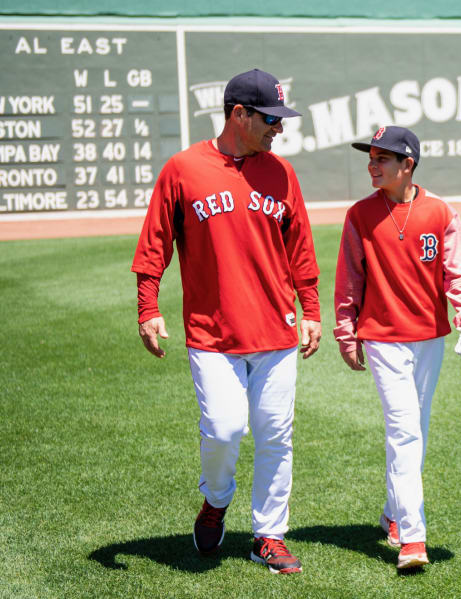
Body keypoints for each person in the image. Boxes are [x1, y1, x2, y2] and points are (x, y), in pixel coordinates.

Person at [131, 68, 321, 575]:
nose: (277, 128)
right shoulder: (183, 169)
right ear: (238, 114)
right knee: (224, 427)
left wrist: (312, 311)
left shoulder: (281, 173)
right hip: (212, 332)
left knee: (276, 434)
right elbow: (155, 244)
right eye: (269, 119)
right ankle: (216, 500)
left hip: (276, 330)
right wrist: (148, 307)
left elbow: (300, 246)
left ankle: (270, 534)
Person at [333, 126, 461, 570]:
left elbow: (459, 273)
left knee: (415, 429)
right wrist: (346, 330)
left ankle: (391, 513)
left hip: (429, 338)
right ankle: (413, 538)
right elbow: (349, 279)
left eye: (382, 158)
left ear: (408, 165)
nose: (372, 164)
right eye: (371, 157)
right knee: (403, 430)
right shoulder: (360, 216)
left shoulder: (440, 213)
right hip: (381, 338)